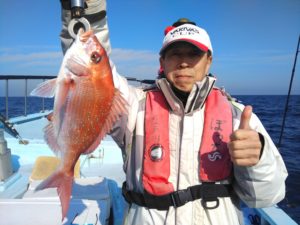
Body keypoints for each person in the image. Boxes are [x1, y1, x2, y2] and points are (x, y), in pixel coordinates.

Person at [59, 1, 288, 224]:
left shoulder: (240, 118)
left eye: (193, 54)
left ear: (208, 61)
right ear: (163, 61)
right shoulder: (133, 106)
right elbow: (95, 67)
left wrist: (258, 160)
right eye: (175, 54)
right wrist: (88, 10)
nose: (184, 63)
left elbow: (266, 197)